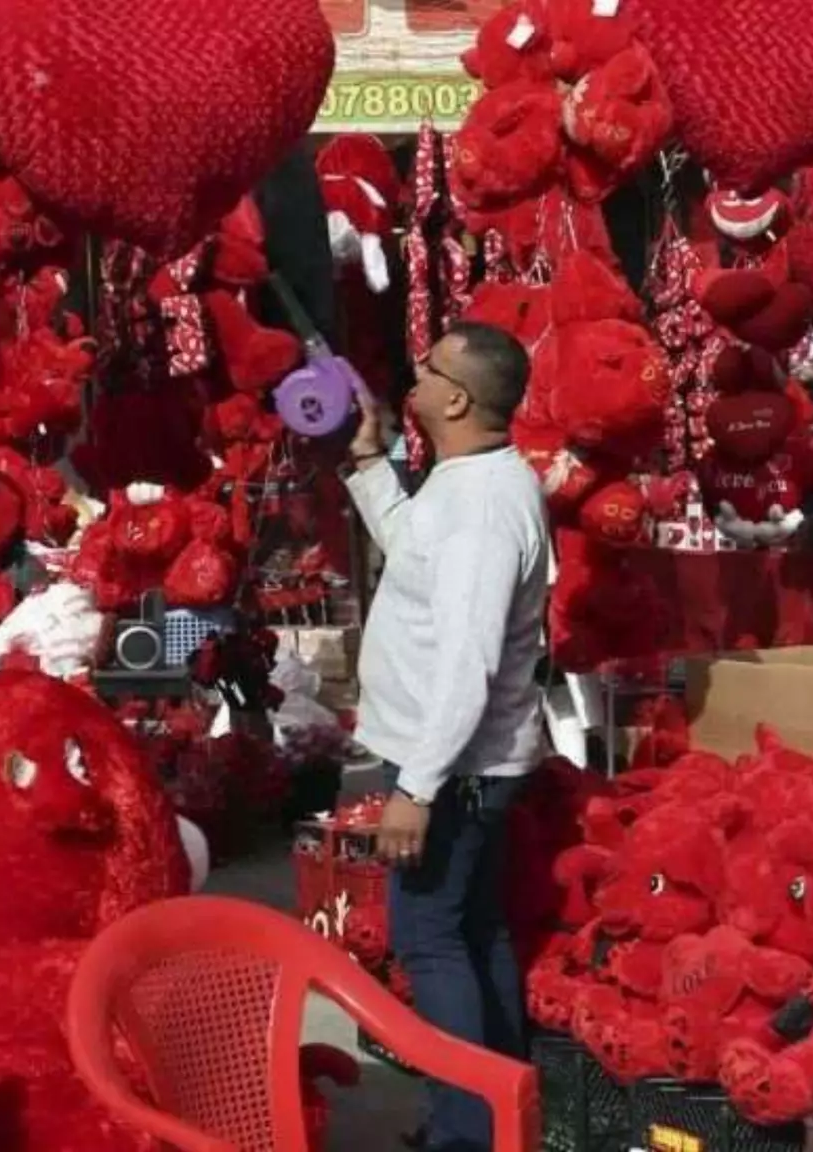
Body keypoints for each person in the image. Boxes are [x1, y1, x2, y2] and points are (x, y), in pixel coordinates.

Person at [343, 321, 548, 1152]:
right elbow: (411, 550)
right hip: (458, 762)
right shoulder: (463, 484)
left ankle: (468, 1134)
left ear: (458, 397)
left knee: (433, 943)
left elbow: (467, 663)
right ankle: (502, 1118)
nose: (413, 379)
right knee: (474, 930)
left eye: (427, 370)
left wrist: (415, 788)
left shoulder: (484, 511)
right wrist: (368, 463)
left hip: (454, 767)